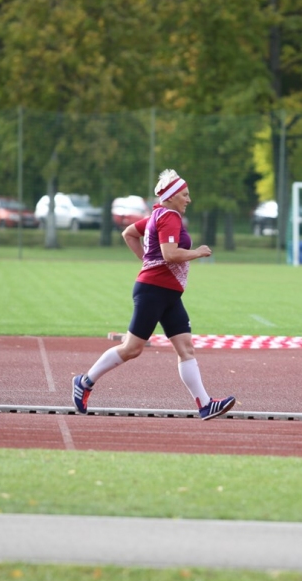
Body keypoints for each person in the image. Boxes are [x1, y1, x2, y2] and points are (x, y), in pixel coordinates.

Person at [72, 169, 236, 421]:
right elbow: (170, 254)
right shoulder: (169, 216)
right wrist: (198, 252)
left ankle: (205, 404)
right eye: (185, 194)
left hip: (167, 293)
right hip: (154, 292)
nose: (189, 199)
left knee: (186, 348)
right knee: (132, 349)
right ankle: (84, 382)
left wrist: (147, 261)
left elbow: (129, 233)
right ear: (170, 197)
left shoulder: (157, 215)